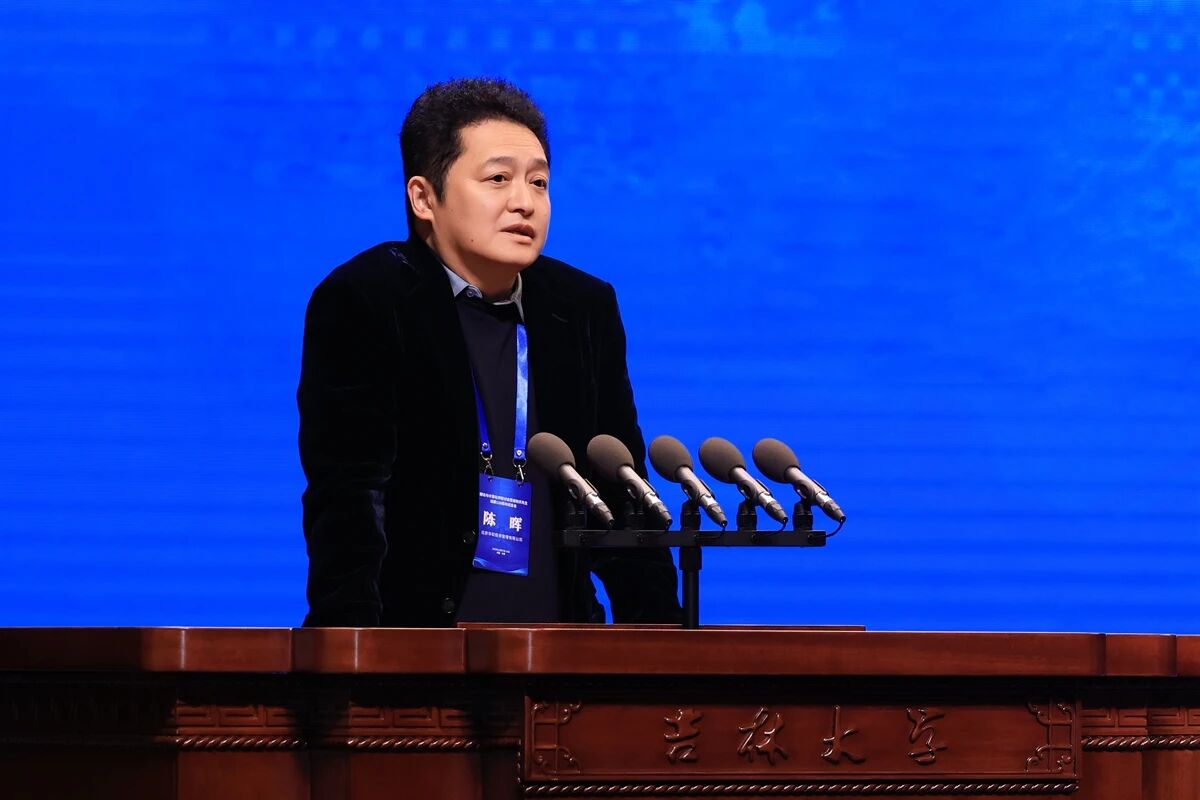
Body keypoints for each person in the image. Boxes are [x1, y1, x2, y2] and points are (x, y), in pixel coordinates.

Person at [298, 78, 682, 627]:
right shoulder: (367, 299)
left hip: (561, 646)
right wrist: (354, 648)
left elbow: (623, 488)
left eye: (539, 182)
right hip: (418, 639)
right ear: (423, 198)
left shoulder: (580, 306)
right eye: (498, 179)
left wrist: (661, 643)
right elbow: (349, 496)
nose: (524, 202)